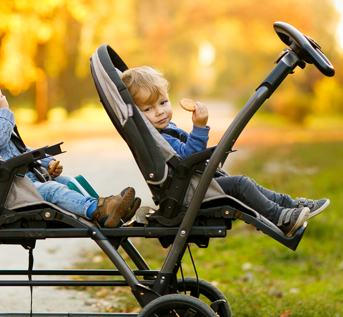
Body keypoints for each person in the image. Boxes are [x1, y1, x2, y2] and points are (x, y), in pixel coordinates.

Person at [120, 66, 329, 237]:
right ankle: (282, 218)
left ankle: (289, 205)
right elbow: (186, 156)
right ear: (137, 115)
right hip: (187, 193)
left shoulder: (163, 131)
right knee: (240, 184)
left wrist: (204, 164)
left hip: (189, 184)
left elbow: (184, 159)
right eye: (148, 109)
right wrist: (200, 127)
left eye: (163, 102)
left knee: (245, 184)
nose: (159, 112)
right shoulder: (160, 138)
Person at [0, 52, 140, 228]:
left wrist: (46, 161)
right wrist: (4, 111)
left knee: (67, 181)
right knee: (53, 190)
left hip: (25, 182)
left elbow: (17, 149)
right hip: (9, 193)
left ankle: (107, 210)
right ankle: (97, 210)